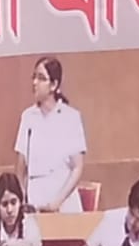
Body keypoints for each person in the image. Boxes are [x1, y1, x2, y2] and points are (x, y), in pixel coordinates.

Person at [15, 56, 87, 215]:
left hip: (63, 199)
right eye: (34, 77)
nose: (35, 83)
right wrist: (23, 199)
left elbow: (77, 167)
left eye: (41, 78)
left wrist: (57, 203)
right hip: (34, 199)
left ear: (54, 85)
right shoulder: (28, 117)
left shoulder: (71, 117)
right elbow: (20, 169)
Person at [0, 172, 42, 246]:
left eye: (13, 203)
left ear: (20, 202)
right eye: (4, 204)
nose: (9, 210)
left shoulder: (29, 223)